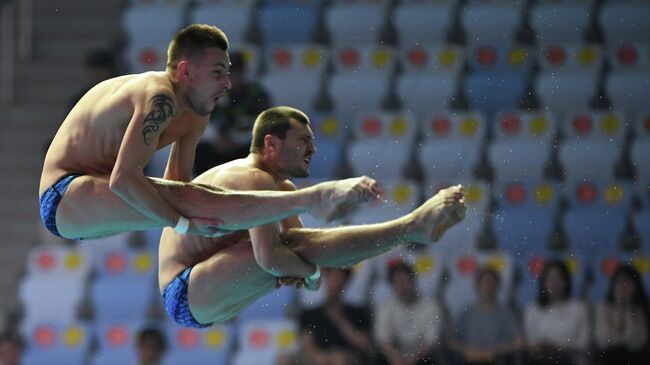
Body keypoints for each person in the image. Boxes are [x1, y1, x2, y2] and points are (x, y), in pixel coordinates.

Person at [39, 24, 382, 240]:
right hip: (64, 194)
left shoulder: (198, 113)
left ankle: (299, 225)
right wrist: (183, 223)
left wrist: (207, 220)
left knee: (203, 204)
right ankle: (316, 198)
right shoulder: (159, 96)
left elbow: (177, 184)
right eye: (218, 72)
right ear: (186, 71)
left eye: (228, 72)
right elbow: (124, 181)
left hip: (95, 200)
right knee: (196, 207)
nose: (227, 83)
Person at [158, 106, 467, 328]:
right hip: (186, 290)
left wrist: (304, 272)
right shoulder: (251, 178)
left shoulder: (282, 186)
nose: (312, 149)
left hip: (211, 292)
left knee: (292, 244)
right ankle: (411, 227)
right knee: (284, 248)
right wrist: (312, 275)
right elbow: (273, 260)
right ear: (271, 143)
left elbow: (297, 254)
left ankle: (412, 228)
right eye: (303, 140)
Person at [194, 51, 271, 175]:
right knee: (200, 151)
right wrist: (218, 139)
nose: (231, 79)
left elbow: (264, 124)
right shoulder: (213, 92)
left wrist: (237, 138)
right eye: (228, 74)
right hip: (217, 144)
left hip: (244, 145)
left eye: (236, 73)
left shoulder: (257, 94)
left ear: (243, 73)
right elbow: (203, 120)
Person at [375, 260, 446, 365]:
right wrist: (396, 358)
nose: (402, 284)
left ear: (413, 280)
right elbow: (383, 339)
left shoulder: (430, 306)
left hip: (423, 357)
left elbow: (431, 341)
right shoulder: (385, 307)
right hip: (395, 357)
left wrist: (412, 359)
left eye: (405, 279)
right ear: (391, 285)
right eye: (397, 281)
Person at [299, 268, 373, 365]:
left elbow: (364, 343)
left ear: (345, 284)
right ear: (326, 280)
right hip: (320, 357)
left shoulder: (356, 312)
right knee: (283, 358)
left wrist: (339, 319)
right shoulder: (311, 313)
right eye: (332, 278)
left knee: (340, 360)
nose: (335, 284)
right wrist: (322, 357)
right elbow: (307, 343)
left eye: (340, 280)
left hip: (348, 357)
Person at [448, 267, 522, 365]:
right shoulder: (467, 312)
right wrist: (466, 351)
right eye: (485, 283)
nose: (488, 287)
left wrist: (496, 351)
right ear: (477, 286)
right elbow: (451, 340)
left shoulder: (505, 313)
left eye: (491, 283)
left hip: (496, 361)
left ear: (497, 286)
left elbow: (519, 341)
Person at [523, 261, 590, 365]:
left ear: (566, 282)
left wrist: (556, 349)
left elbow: (583, 343)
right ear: (543, 282)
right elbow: (531, 341)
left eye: (559, 279)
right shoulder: (533, 308)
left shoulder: (579, 308)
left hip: (571, 359)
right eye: (550, 279)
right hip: (541, 359)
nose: (554, 284)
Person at [594, 265, 650, 365]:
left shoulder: (642, 309)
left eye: (628, 283)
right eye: (619, 282)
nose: (623, 287)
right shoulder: (603, 307)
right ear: (613, 285)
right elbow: (603, 342)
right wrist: (619, 307)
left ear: (636, 286)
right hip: (608, 358)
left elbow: (635, 344)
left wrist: (628, 307)